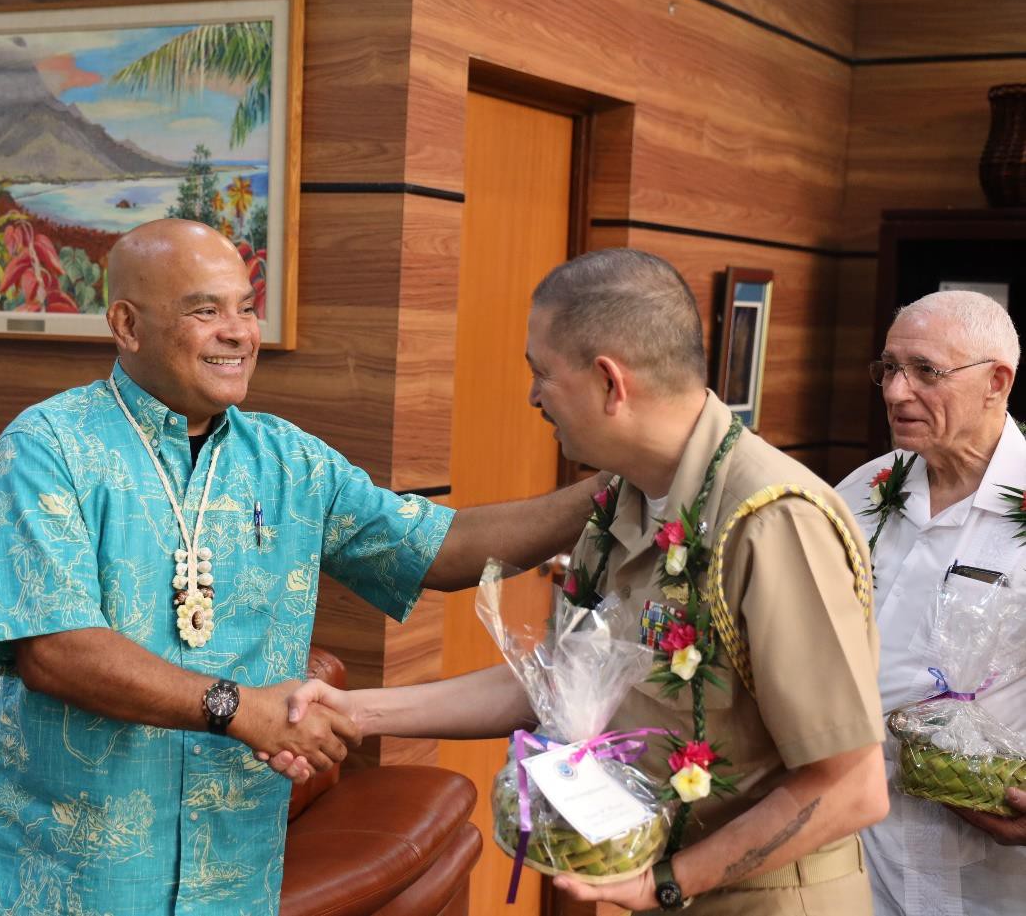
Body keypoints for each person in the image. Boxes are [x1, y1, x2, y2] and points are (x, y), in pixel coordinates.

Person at [0, 218, 600, 916]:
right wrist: (238, 708)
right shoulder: (47, 447)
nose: (239, 332)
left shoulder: (288, 459)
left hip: (233, 884)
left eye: (246, 307)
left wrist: (609, 489)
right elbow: (55, 648)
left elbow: (442, 547)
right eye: (206, 310)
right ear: (127, 323)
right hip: (58, 887)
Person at [280, 248, 890, 914]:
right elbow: (558, 678)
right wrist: (359, 711)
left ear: (610, 382)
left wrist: (670, 880)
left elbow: (851, 785)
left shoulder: (772, 521)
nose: (533, 396)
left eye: (542, 372)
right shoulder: (624, 495)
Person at [835, 290, 1026, 916]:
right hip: (845, 858)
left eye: (926, 372)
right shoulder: (863, 489)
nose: (895, 392)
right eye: (889, 368)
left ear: (997, 381)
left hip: (982, 876)